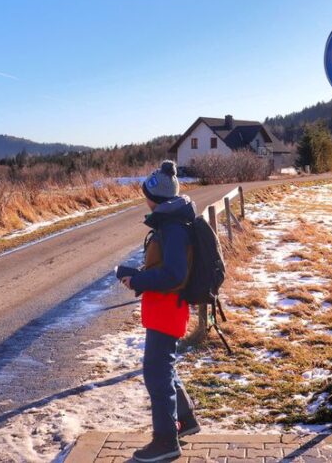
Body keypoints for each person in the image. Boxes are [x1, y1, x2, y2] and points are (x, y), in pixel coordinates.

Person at [120, 160, 201, 462]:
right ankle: (186, 421)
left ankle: (166, 442)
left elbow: (175, 275)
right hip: (163, 306)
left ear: (153, 197)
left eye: (145, 194)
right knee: (163, 368)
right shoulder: (170, 223)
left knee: (156, 373)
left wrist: (140, 279)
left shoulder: (173, 228)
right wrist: (138, 275)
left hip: (168, 307)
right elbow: (167, 268)